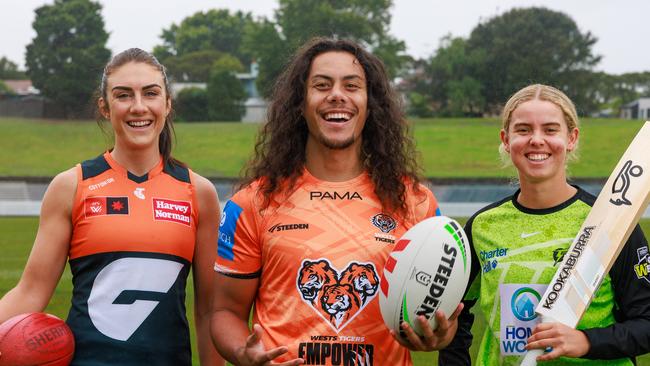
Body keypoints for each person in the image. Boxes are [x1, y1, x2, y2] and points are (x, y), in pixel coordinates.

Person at [210, 37, 462, 366]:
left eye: (352, 85)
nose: (337, 95)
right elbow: (225, 311)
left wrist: (442, 333)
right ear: (300, 103)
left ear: (371, 104)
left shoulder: (415, 203)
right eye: (321, 85)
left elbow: (441, 311)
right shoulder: (252, 203)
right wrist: (243, 351)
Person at [0, 48, 223, 365]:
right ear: (104, 107)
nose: (138, 107)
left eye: (150, 93)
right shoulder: (72, 186)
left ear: (167, 104)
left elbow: (209, 309)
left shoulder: (199, 193)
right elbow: (31, 292)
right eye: (123, 95)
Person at [442, 84, 650, 365]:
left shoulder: (610, 222)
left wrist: (587, 341)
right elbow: (454, 319)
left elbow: (646, 322)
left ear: (571, 138)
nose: (537, 140)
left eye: (550, 130)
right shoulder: (482, 226)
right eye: (524, 130)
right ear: (506, 139)